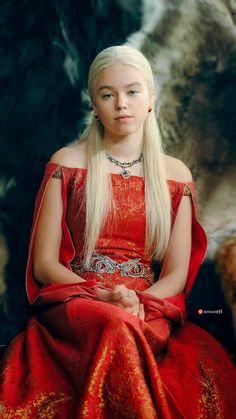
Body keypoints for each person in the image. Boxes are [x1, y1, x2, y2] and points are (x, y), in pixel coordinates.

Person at [0, 45, 235, 418]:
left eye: (132, 91)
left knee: (129, 326)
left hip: (148, 305)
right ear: (94, 103)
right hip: (79, 300)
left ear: (151, 99)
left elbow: (174, 274)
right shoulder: (66, 163)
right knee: (113, 323)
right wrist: (104, 295)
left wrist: (140, 302)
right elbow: (44, 264)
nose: (121, 104)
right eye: (107, 94)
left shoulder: (175, 176)